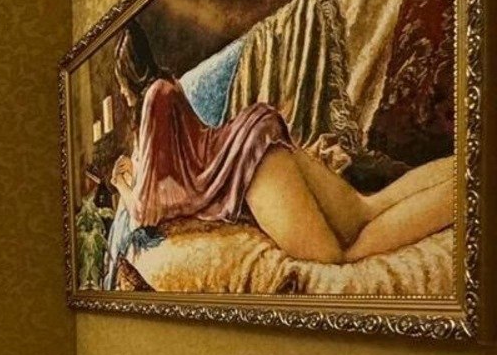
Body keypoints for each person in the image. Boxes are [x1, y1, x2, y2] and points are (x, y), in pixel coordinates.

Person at [109, 22, 456, 264]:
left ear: (127, 74)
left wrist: (121, 184)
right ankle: (467, 171)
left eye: (120, 81)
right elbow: (178, 166)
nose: (122, 92)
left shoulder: (154, 98)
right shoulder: (168, 85)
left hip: (247, 161)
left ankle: (469, 197)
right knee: (366, 210)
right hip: (255, 139)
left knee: (336, 256)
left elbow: (144, 212)